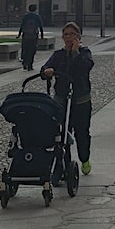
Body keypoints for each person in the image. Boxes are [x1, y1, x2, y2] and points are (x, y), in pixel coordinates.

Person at [41, 22, 94, 176]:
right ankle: (64, 165)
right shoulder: (58, 55)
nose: (69, 37)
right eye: (66, 34)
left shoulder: (84, 53)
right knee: (62, 134)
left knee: (82, 133)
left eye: (72, 34)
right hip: (62, 99)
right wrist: (47, 72)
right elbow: (45, 69)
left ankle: (85, 158)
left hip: (80, 99)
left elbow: (85, 67)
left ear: (78, 37)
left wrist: (76, 52)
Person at [17, 4, 44, 70]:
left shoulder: (26, 16)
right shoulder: (37, 16)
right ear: (35, 9)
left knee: (25, 49)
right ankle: (30, 65)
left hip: (26, 35)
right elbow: (40, 26)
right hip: (34, 36)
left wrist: (19, 34)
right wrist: (42, 35)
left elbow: (22, 25)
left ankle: (24, 63)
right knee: (32, 50)